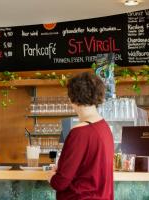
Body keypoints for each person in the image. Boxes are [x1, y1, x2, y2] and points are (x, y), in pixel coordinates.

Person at [48, 72, 114, 200]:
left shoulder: (80, 132)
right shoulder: (104, 127)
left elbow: (60, 183)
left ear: (72, 97)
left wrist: (51, 176)